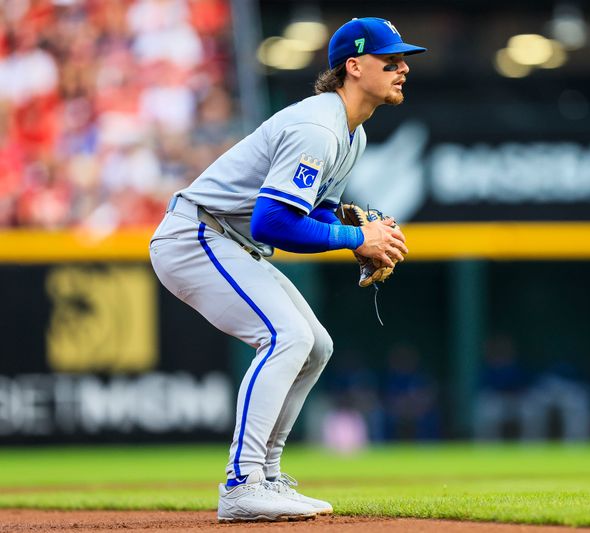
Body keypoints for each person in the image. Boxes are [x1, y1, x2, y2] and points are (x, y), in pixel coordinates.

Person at [148, 17, 425, 522]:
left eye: (404, 59)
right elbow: (273, 222)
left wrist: (354, 237)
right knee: (284, 336)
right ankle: (241, 482)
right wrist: (357, 238)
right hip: (195, 235)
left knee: (316, 344)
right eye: (392, 59)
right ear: (354, 66)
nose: (403, 68)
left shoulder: (351, 134)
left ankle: (267, 477)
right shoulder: (317, 127)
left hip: (226, 239)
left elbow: (311, 214)